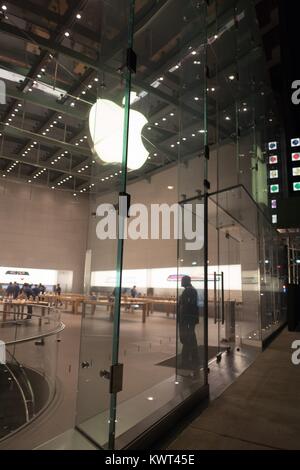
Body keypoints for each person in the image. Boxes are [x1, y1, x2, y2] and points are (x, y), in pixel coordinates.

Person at [178, 275, 200, 375]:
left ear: (186, 281)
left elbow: (186, 306)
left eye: (182, 280)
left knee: (186, 338)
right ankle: (194, 358)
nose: (181, 282)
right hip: (190, 318)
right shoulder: (191, 290)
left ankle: (186, 360)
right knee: (191, 337)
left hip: (187, 319)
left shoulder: (188, 291)